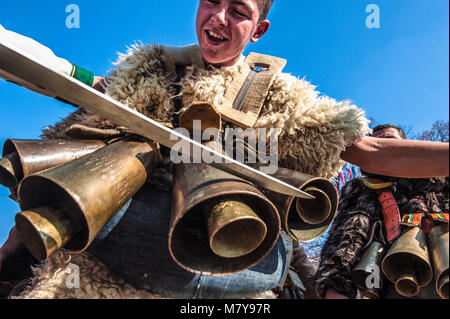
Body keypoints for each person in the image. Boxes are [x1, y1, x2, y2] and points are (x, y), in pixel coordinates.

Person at [0, 0, 448, 298]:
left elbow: (369, 150)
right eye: (212, 1)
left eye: (238, 10)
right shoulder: (152, 69)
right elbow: (82, 93)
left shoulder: (282, 96)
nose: (219, 17)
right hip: (128, 232)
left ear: (258, 29)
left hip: (241, 254)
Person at [315, 124, 449, 299]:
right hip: (392, 284)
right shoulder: (362, 189)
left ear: (405, 145)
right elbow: (345, 240)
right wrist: (335, 287)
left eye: (390, 142)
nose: (383, 146)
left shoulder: (440, 177)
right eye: (376, 141)